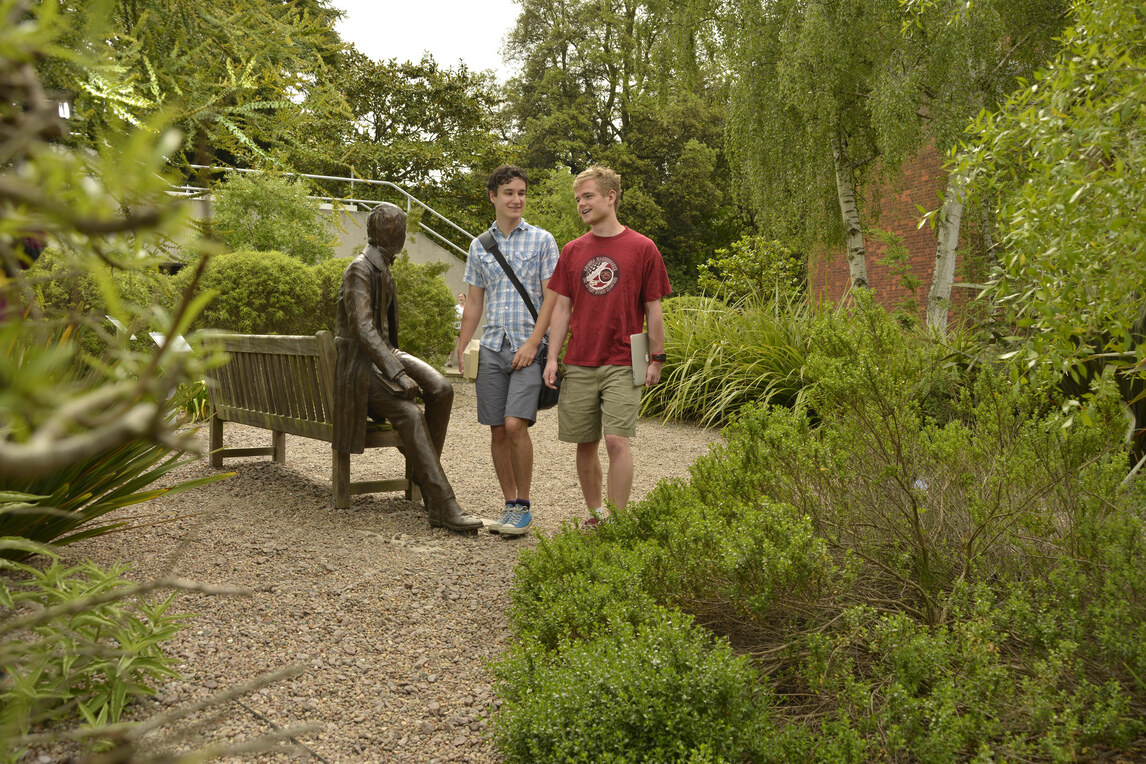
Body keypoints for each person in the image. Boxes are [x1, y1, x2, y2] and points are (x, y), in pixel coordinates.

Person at [334, 202, 483, 533]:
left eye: (400, 227)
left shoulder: (384, 268)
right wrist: (397, 373)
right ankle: (442, 504)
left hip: (385, 356)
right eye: (396, 227)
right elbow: (362, 328)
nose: (400, 233)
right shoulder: (360, 269)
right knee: (412, 413)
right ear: (382, 233)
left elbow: (387, 335)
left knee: (442, 390)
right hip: (360, 370)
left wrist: (399, 366)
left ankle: (424, 475)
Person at [542, 165, 671, 526]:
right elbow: (562, 308)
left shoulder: (642, 248)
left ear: (610, 197)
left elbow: (654, 308)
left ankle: (617, 519)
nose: (581, 204)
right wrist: (553, 358)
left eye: (588, 196)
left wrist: (656, 359)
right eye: (578, 199)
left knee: (616, 440)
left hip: (623, 359)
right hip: (580, 360)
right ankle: (596, 513)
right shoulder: (572, 251)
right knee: (585, 443)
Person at [455, 165, 560, 536]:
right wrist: (462, 342)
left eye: (521, 193)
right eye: (509, 193)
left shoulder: (543, 240)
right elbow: (474, 304)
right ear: (493, 197)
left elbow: (554, 297)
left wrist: (536, 344)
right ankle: (509, 504)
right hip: (493, 348)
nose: (517, 199)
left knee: (516, 424)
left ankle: (525, 505)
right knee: (497, 430)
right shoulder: (479, 245)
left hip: (528, 347)